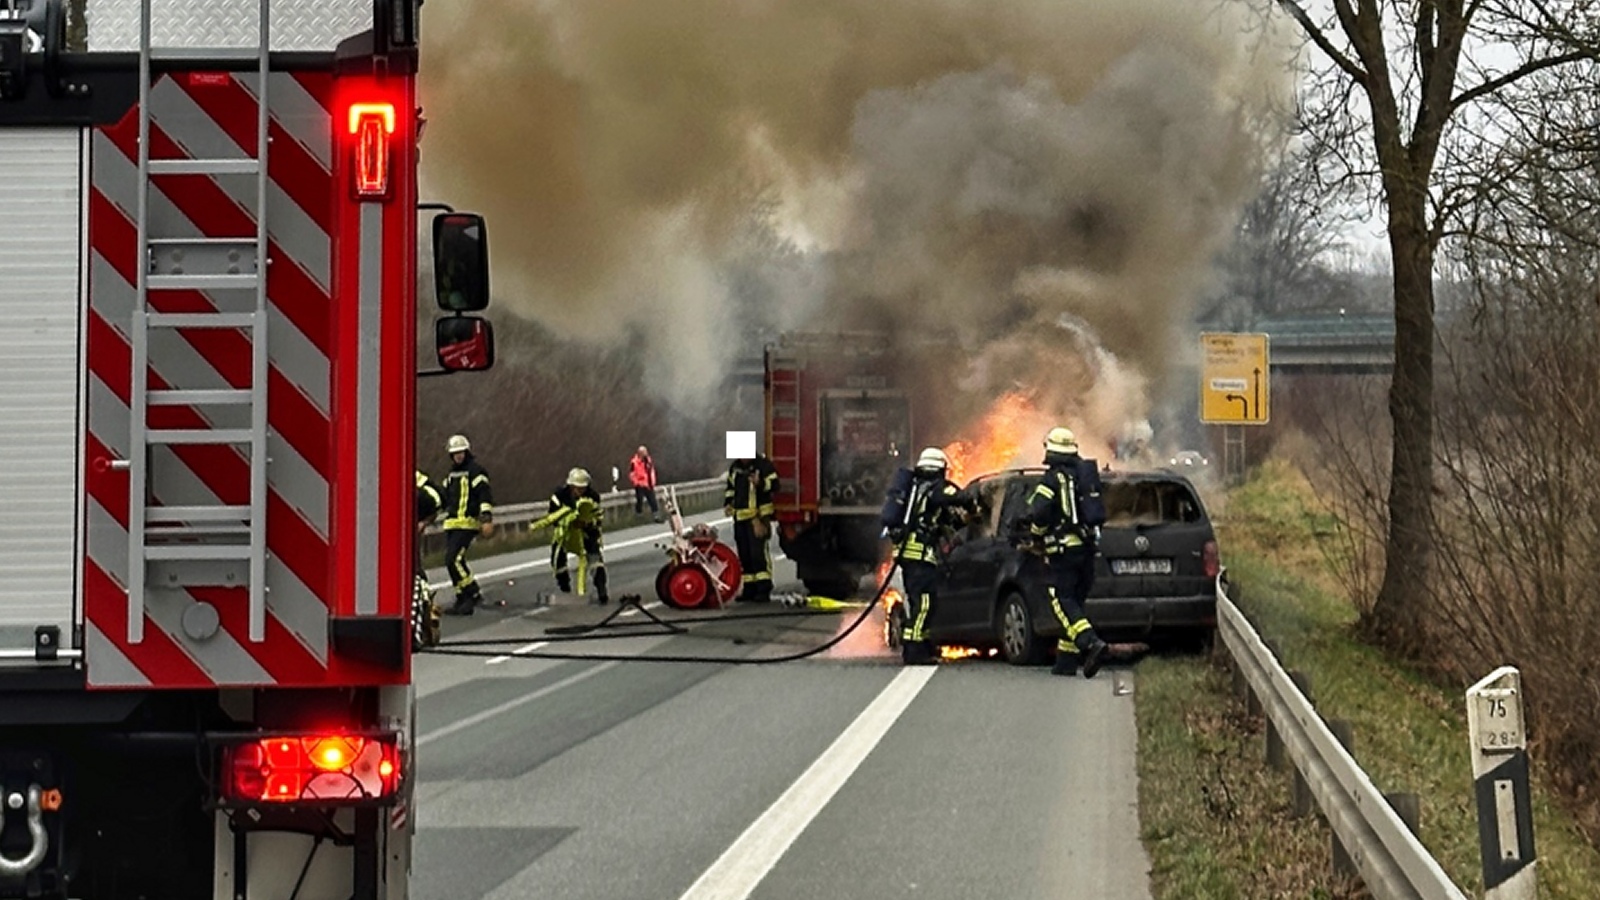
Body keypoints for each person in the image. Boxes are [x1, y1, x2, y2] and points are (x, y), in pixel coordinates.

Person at [1020, 426, 1109, 678]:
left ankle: (1091, 643)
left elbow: (1039, 511)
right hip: (1087, 549)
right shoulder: (1083, 477)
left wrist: (1036, 533)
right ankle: (1066, 662)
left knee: (1061, 600)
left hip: (1063, 552)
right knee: (1075, 604)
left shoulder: (1052, 479)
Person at [886, 447, 976, 666]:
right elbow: (959, 496)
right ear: (939, 469)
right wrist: (972, 503)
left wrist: (964, 522)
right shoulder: (935, 488)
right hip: (919, 556)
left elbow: (946, 522)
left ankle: (924, 646)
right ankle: (914, 652)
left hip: (910, 555)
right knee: (924, 603)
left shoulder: (918, 491)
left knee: (924, 602)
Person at [535, 467, 610, 604]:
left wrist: (587, 524)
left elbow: (597, 517)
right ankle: (564, 587)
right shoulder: (559, 496)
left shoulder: (593, 497)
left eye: (582, 488)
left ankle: (601, 589)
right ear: (570, 486)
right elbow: (553, 517)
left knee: (595, 559)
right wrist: (568, 521)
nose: (579, 491)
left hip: (587, 533)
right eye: (576, 488)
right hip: (565, 533)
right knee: (558, 559)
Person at [440, 434, 495, 615]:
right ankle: (462, 598)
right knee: (453, 561)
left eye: (461, 452)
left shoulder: (476, 471)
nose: (458, 456)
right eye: (455, 453)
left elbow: (484, 495)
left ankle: (472, 593)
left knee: (453, 560)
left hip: (468, 524)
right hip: (452, 523)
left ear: (467, 451)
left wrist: (486, 518)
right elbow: (446, 497)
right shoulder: (450, 474)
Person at [724, 452, 779, 603]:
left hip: (758, 517)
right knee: (745, 555)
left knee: (758, 554)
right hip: (740, 517)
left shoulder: (762, 465)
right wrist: (728, 503)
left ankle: (764, 588)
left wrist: (760, 483)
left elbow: (774, 484)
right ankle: (750, 588)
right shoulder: (735, 468)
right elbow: (730, 488)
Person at [413, 470, 443, 645]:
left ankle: (426, 614)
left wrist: (424, 522)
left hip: (409, 532)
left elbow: (436, 500)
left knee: (416, 573)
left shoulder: (421, 490)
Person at [630, 445, 661, 522]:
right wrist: (636, 483)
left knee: (652, 500)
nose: (646, 454)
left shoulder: (648, 461)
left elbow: (651, 472)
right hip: (640, 484)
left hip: (648, 484)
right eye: (644, 452)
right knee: (639, 500)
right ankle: (639, 515)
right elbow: (632, 474)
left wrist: (653, 482)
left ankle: (656, 516)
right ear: (640, 453)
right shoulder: (634, 462)